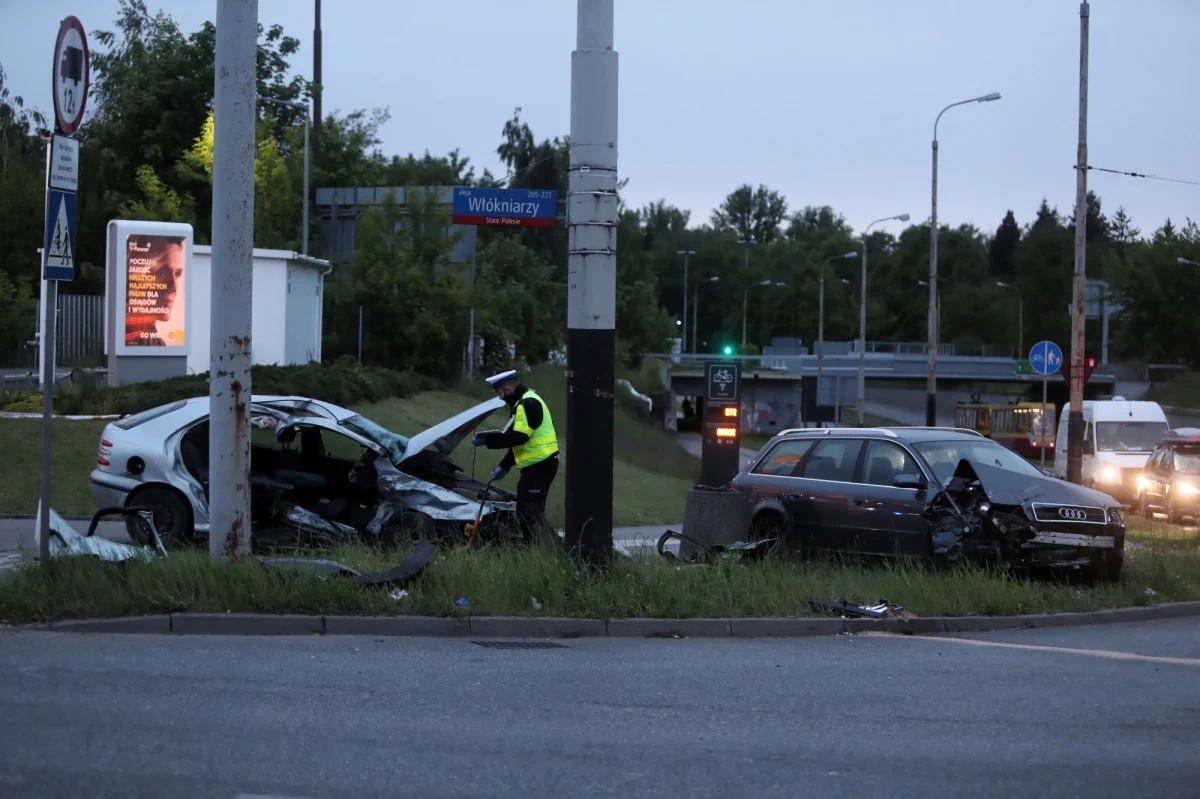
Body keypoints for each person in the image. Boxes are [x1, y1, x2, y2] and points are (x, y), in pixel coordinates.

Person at [471, 370, 559, 543]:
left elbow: (519, 437)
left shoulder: (528, 403)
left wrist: (489, 441)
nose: (501, 398)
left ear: (508, 388)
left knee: (529, 512)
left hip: (540, 465)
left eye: (500, 393)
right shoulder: (522, 403)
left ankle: (533, 550)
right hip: (536, 466)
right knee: (527, 509)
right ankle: (540, 547)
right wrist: (505, 465)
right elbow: (518, 442)